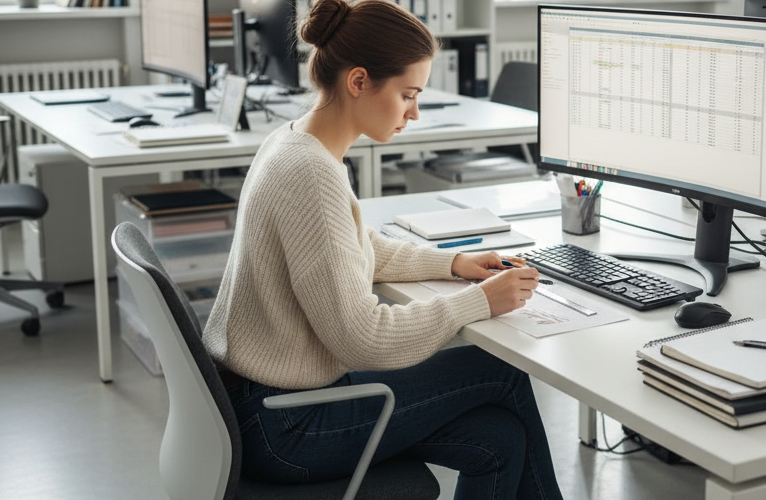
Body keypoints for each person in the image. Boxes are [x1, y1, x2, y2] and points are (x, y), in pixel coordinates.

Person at [201, 0, 564, 498]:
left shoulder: (294, 142)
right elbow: (364, 339)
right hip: (285, 426)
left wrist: (452, 263)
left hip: (262, 405)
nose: (414, 112)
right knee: (501, 372)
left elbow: (349, 246)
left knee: (499, 440)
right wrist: (479, 301)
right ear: (358, 81)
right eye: (408, 94)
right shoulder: (311, 174)